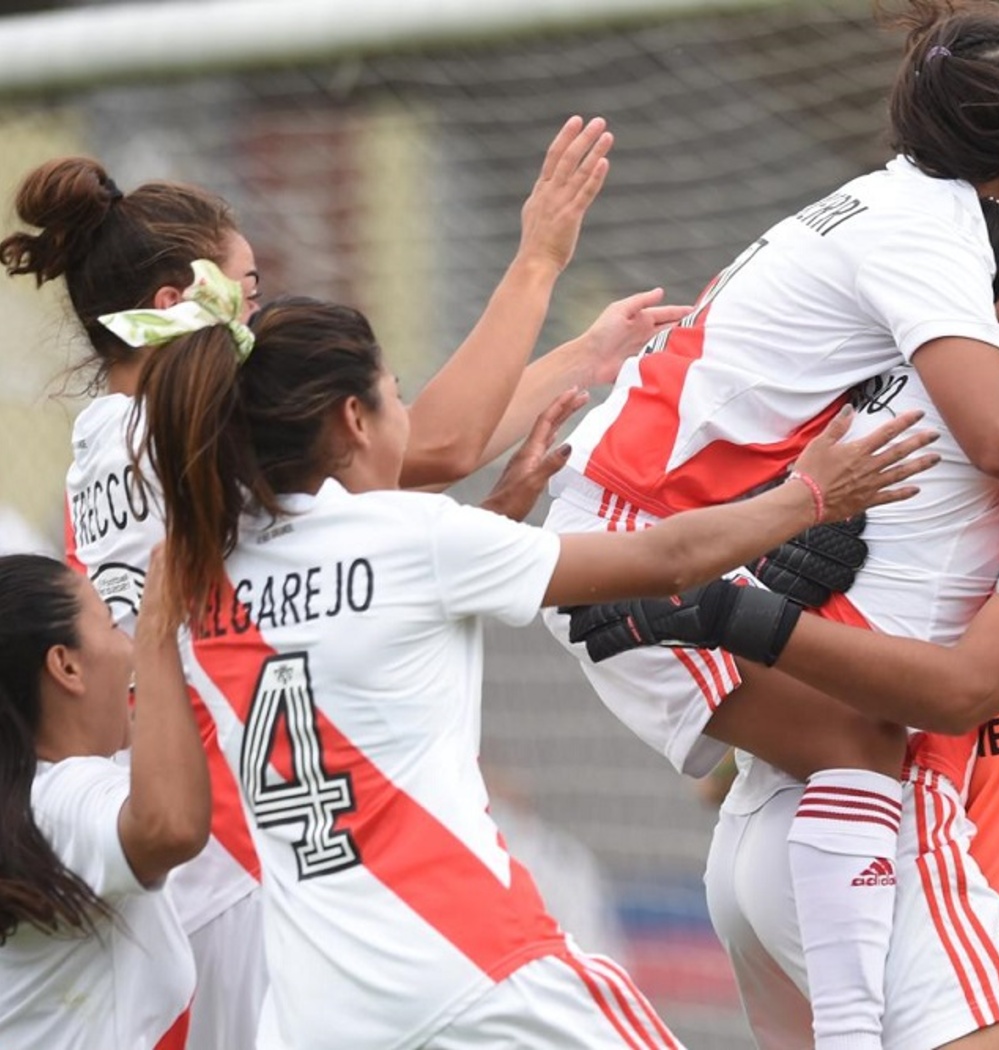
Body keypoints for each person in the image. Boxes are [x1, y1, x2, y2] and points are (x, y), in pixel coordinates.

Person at [542, 4, 999, 1047]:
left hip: (789, 829)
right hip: (923, 865)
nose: (995, 315)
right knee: (871, 737)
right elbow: (964, 678)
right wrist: (729, 610)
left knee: (858, 740)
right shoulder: (992, 374)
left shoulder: (899, 266)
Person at [120, 260, 933, 1049]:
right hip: (475, 967)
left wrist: (499, 513)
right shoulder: (413, 539)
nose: (406, 417)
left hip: (312, 1014)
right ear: (353, 419)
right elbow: (663, 561)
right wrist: (813, 494)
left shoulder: (197, 578)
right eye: (397, 395)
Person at [0, 117, 686, 1049]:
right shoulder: (177, 438)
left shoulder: (110, 446)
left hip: (218, 852)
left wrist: (584, 358)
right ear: (176, 302)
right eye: (246, 292)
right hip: (253, 855)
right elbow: (423, 446)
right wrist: (538, 262)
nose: (257, 321)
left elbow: (399, 447)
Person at [0, 547, 207, 1048]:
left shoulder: (28, 802)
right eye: (114, 624)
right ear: (66, 667)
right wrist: (159, 628)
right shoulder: (55, 805)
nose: (129, 643)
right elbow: (170, 826)